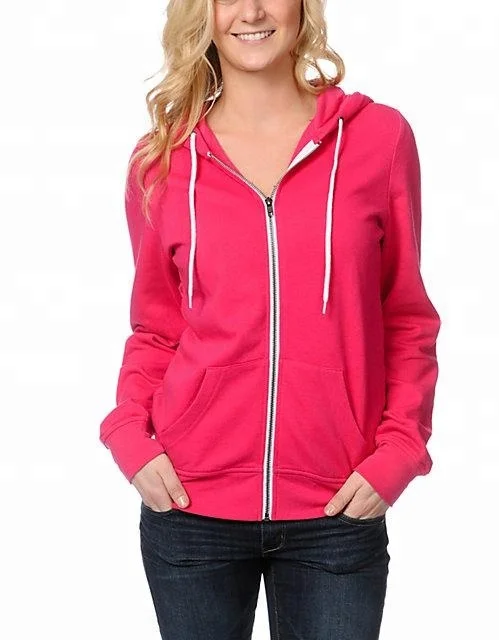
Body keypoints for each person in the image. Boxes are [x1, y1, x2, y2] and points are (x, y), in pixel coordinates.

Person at [98, 1, 442, 638]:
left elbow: (406, 316)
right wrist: (127, 433)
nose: (252, 11)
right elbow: (156, 329)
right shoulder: (163, 160)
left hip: (338, 509)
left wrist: (400, 449)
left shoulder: (378, 139)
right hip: (189, 505)